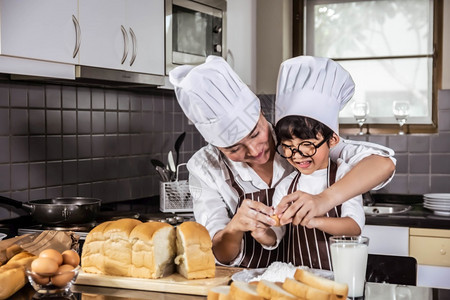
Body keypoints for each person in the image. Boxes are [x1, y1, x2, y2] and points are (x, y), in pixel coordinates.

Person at [169, 55, 395, 268]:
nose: (255, 151)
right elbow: (220, 254)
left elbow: (382, 164)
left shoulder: (296, 139)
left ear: (260, 113)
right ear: (217, 147)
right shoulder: (205, 167)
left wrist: (323, 200)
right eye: (234, 148)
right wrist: (235, 227)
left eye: (256, 133)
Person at [271, 56, 365, 270]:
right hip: (299, 283)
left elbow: (354, 226)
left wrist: (313, 220)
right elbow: (275, 236)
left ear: (332, 140)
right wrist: (263, 229)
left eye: (307, 144)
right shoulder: (287, 186)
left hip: (341, 280)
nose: (297, 155)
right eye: (288, 146)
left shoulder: (344, 176)